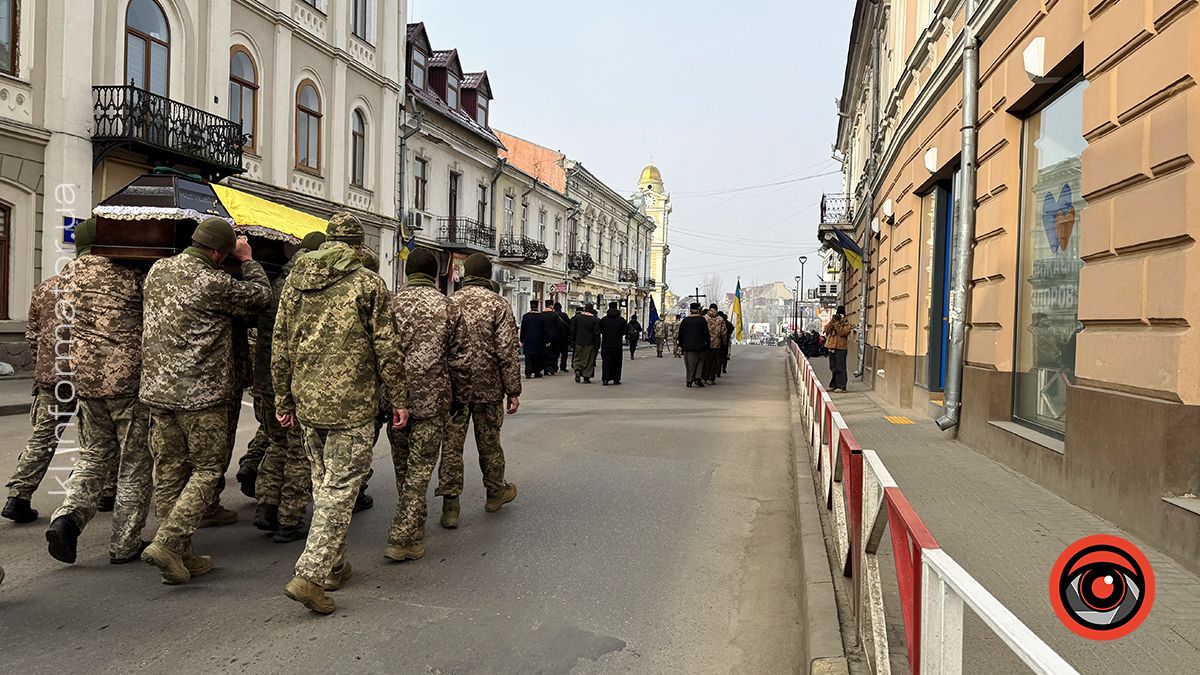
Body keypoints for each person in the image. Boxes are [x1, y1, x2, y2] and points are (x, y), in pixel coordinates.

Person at [273, 213, 408, 614]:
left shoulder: (295, 282)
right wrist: (398, 397)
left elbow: (280, 345)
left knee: (323, 484)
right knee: (340, 487)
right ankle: (311, 575)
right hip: (352, 404)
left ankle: (332, 566)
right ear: (358, 245)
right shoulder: (368, 284)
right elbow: (387, 347)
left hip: (308, 402)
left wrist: (283, 398)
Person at [138, 217, 272, 585]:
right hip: (201, 396)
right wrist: (247, 260)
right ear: (216, 252)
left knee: (169, 473)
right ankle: (168, 542)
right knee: (207, 471)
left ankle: (182, 556)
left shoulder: (157, 271)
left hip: (158, 393)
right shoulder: (212, 281)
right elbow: (261, 297)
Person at [44, 219, 153, 565]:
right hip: (126, 381)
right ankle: (124, 543)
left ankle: (67, 518)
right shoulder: (125, 272)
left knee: (94, 454)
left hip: (86, 380)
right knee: (134, 462)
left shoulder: (66, 275)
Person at [250, 231, 325, 543]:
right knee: (299, 451)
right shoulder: (309, 287)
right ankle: (289, 520)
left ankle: (266, 505)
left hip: (266, 378)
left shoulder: (277, 282)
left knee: (275, 441)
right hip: (294, 380)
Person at [385, 248, 458, 560]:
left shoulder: (389, 303)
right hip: (432, 399)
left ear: (406, 273)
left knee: (403, 466)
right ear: (435, 274)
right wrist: (460, 397)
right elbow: (459, 357)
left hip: (393, 400)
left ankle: (413, 525)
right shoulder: (447, 306)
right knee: (421, 469)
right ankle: (403, 537)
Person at [438, 253, 521, 527]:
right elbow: (507, 351)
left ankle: (450, 506)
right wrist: (513, 389)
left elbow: (440, 348)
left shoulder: (450, 303)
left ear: (465, 272)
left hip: (455, 391)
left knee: (451, 446)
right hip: (489, 389)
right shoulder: (498, 304)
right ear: (488, 276)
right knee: (489, 443)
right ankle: (495, 493)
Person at [2, 269, 74, 524]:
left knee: (43, 436)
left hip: (51, 375)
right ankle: (102, 494)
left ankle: (18, 496)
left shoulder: (46, 287)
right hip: (92, 376)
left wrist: (42, 365)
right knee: (96, 440)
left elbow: (32, 334)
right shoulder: (102, 286)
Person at [678, 303, 711, 387]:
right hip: (700, 346)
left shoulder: (685, 320)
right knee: (700, 363)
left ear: (690, 310)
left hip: (688, 347)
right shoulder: (702, 320)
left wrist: (681, 345)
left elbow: (680, 334)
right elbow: (706, 333)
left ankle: (689, 380)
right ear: (698, 310)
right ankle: (698, 378)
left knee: (690, 364)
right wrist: (707, 343)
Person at [824, 306, 853, 392]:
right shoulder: (833, 322)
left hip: (841, 348)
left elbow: (842, 332)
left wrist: (837, 323)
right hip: (832, 347)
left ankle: (842, 386)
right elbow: (826, 330)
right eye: (838, 314)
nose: (839, 316)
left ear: (844, 315)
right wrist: (832, 321)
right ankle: (834, 385)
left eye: (841, 314)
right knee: (833, 367)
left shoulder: (847, 324)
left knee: (841, 367)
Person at [598, 302, 628, 386]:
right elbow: (625, 331)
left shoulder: (604, 320)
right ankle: (616, 379)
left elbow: (600, 330)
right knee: (617, 362)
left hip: (606, 344)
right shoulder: (621, 320)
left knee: (606, 362)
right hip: (617, 344)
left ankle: (605, 379)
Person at [570, 303, 600, 384]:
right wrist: (597, 344)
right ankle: (586, 377)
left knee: (578, 357)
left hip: (578, 341)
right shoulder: (595, 320)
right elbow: (596, 333)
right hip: (590, 342)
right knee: (588, 360)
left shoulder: (578, 317)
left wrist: (573, 340)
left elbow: (573, 329)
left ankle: (577, 369)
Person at [519, 300, 548, 380]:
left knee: (528, 357)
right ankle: (536, 372)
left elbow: (523, 329)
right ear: (537, 307)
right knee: (537, 357)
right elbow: (545, 330)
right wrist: (546, 341)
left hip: (528, 340)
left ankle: (528, 373)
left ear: (531, 307)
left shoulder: (525, 316)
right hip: (539, 341)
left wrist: (522, 340)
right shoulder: (542, 317)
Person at [703, 304, 727, 385]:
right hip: (716, 344)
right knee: (714, 362)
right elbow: (724, 333)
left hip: (705, 344)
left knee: (706, 361)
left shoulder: (704, 318)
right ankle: (711, 378)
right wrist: (724, 343)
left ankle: (704, 377)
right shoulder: (720, 319)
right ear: (716, 309)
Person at [541, 300, 563, 375]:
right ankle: (552, 366)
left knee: (545, 353)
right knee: (554, 352)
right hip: (554, 337)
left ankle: (546, 369)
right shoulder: (554, 315)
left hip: (543, 336)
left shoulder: (541, 314)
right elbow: (560, 326)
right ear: (551, 306)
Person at [554, 302, 571, 373]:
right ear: (560, 308)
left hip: (555, 337)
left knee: (555, 352)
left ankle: (554, 366)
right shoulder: (564, 315)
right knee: (564, 352)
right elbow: (569, 325)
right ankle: (563, 366)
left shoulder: (553, 315)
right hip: (564, 336)